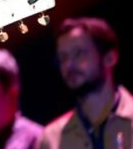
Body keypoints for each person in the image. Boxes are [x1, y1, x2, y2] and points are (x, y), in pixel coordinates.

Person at [38, 17, 132, 149]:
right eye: (63, 58)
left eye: (79, 54)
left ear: (110, 58)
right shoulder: (52, 137)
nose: (68, 65)